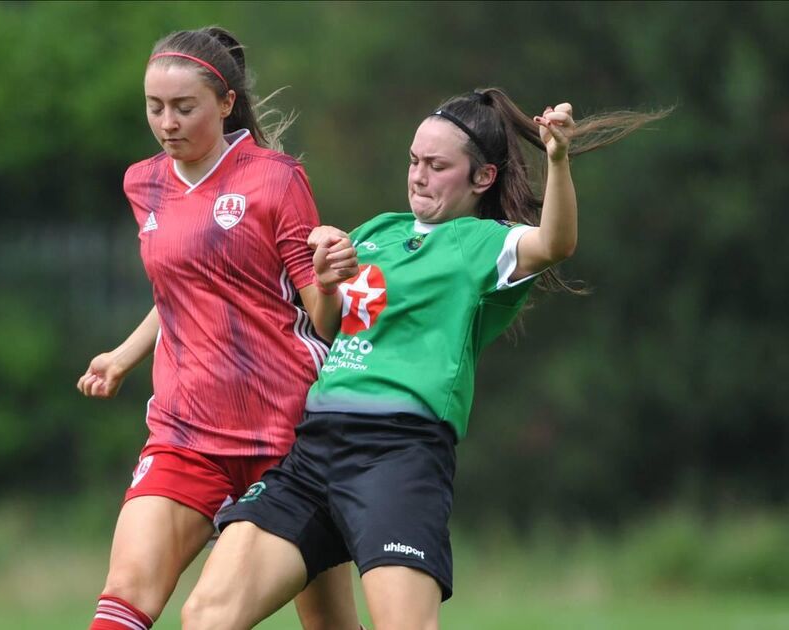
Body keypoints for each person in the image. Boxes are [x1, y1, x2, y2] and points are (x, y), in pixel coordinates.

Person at [180, 88, 670, 630]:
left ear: (482, 177)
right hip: (315, 447)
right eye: (414, 161)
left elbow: (556, 242)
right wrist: (323, 276)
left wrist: (557, 161)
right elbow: (327, 324)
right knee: (207, 616)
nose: (418, 176)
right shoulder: (376, 233)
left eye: (437, 166)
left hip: (399, 454)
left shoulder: (482, 243)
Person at [76, 26, 361, 630]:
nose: (167, 122)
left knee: (330, 625)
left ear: (226, 103)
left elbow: (321, 317)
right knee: (123, 600)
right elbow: (188, 282)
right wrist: (124, 355)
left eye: (184, 107)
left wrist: (332, 280)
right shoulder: (143, 182)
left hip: (287, 442)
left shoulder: (276, 178)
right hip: (185, 432)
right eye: (155, 107)